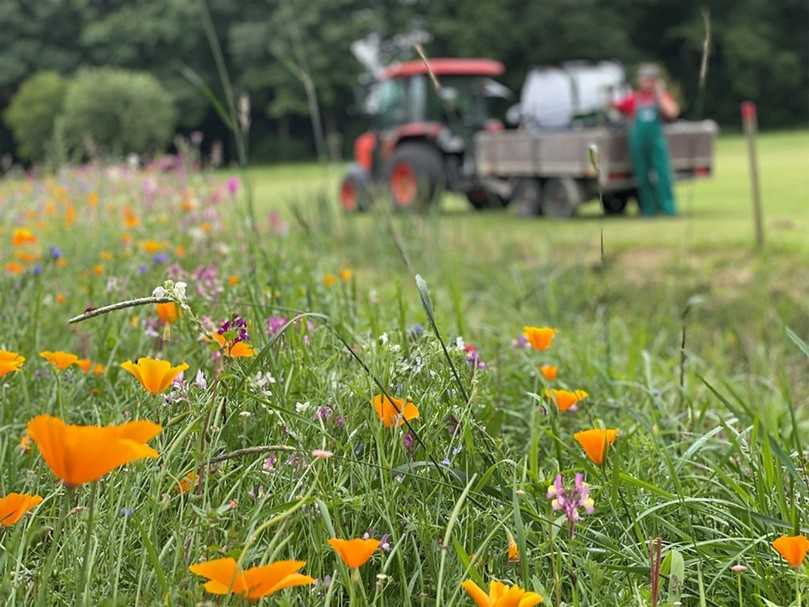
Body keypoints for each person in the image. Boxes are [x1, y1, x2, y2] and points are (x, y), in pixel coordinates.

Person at [613, 64, 680, 216]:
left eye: (651, 79)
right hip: (638, 143)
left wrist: (660, 93)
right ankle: (648, 209)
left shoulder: (660, 97)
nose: (647, 83)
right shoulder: (634, 98)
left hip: (656, 142)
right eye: (645, 79)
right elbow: (617, 106)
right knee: (642, 177)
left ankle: (668, 208)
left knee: (663, 175)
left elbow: (672, 112)